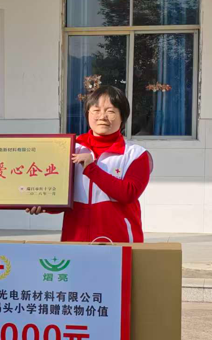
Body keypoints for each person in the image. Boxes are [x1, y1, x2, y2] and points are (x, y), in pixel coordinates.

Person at [27, 85, 152, 243]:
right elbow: (62, 195)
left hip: (119, 242)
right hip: (75, 240)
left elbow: (128, 194)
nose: (102, 116)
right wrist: (43, 204)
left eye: (110, 111)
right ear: (87, 114)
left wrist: (91, 169)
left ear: (123, 117)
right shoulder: (69, 148)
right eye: (96, 110)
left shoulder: (136, 154)